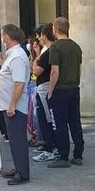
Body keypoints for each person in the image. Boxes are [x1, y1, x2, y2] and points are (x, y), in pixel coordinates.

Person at [0, 24, 32, 186]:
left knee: (17, 139)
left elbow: (19, 82)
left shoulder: (17, 56)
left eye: (3, 36)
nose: (2, 39)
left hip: (14, 106)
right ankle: (18, 167)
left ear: (8, 37)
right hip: (9, 104)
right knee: (14, 138)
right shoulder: (13, 55)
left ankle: (23, 172)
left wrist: (12, 104)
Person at [46, 17, 84, 168]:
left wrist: (50, 91)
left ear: (55, 29)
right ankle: (78, 154)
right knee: (75, 122)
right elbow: (79, 68)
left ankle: (63, 155)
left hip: (60, 89)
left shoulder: (55, 47)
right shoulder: (76, 47)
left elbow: (54, 71)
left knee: (60, 123)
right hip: (74, 89)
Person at [31, 24, 58, 162]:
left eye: (40, 35)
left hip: (45, 88)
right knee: (44, 118)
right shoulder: (46, 51)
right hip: (43, 87)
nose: (38, 38)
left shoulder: (49, 51)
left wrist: (36, 60)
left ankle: (50, 148)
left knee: (46, 118)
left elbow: (36, 71)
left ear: (45, 35)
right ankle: (51, 146)